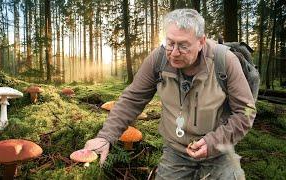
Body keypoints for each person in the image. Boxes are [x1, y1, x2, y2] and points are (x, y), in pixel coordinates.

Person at [84, 8, 256, 180]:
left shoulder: (225, 62)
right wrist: (106, 136)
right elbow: (132, 99)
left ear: (201, 41)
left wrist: (214, 142)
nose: (174, 52)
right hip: (176, 150)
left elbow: (247, 110)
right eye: (170, 43)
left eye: (183, 45)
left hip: (219, 150)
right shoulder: (157, 60)